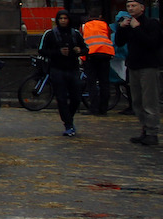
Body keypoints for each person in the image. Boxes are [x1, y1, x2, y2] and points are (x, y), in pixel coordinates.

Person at [122, 0, 163, 147]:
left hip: (148, 66)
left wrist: (137, 29)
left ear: (142, 8)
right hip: (134, 66)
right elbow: (119, 42)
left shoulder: (151, 24)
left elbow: (152, 43)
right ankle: (145, 128)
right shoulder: (129, 24)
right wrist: (123, 28)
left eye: (134, 5)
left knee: (149, 101)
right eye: (128, 6)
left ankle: (152, 132)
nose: (131, 8)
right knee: (137, 101)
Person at [39, 9, 86, 137]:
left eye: (65, 18)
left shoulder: (75, 34)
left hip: (72, 68)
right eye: (61, 19)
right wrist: (57, 52)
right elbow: (42, 50)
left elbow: (85, 49)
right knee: (61, 98)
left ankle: (68, 117)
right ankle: (68, 123)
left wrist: (79, 50)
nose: (63, 21)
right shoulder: (50, 34)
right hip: (57, 69)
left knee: (76, 97)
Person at [81, 10, 115, 115]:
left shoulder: (84, 26)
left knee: (92, 83)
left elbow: (82, 41)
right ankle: (103, 109)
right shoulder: (105, 25)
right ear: (99, 16)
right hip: (105, 53)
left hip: (91, 54)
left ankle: (94, 108)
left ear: (88, 17)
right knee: (104, 82)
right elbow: (109, 37)